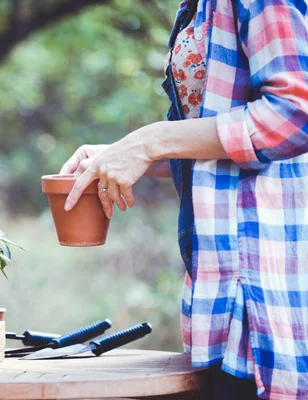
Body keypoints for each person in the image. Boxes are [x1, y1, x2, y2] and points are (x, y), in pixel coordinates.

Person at [60, 1, 308, 399]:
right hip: (219, 289)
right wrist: (121, 154)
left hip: (265, 286)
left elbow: (296, 112)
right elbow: (216, 143)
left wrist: (151, 140)